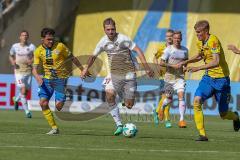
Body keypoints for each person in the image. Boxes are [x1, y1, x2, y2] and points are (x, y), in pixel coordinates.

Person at [81, 18, 154, 135]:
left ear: (116, 28)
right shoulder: (102, 42)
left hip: (129, 72)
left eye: (113, 29)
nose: (111, 32)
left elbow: (138, 50)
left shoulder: (123, 39)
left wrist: (146, 67)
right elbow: (93, 56)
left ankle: (125, 100)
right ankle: (119, 125)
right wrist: (85, 68)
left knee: (129, 105)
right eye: (108, 29)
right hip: (114, 73)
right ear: (104, 30)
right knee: (109, 95)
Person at [180, 20, 240, 141]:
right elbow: (200, 56)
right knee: (196, 101)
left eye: (199, 32)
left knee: (223, 114)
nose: (197, 35)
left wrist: (197, 68)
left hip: (222, 81)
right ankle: (202, 135)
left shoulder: (213, 41)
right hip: (208, 79)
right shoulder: (200, 42)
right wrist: (185, 62)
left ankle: (236, 117)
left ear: (206, 31)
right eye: (196, 33)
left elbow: (216, 61)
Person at [32, 28, 88, 135]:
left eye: (52, 39)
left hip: (60, 79)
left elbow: (73, 58)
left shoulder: (60, 46)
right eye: (48, 39)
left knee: (58, 107)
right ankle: (54, 128)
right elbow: (34, 68)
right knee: (43, 103)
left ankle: (63, 97)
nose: (51, 41)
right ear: (42, 39)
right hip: (47, 81)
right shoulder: (38, 51)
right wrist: (37, 77)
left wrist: (82, 69)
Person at [158, 31, 188, 128]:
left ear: (181, 39)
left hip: (180, 78)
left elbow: (185, 61)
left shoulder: (185, 50)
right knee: (169, 99)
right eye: (175, 38)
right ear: (173, 39)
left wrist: (184, 67)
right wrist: (172, 65)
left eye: (179, 38)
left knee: (181, 96)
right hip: (169, 78)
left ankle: (182, 120)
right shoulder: (168, 49)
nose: (177, 40)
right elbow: (161, 63)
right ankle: (162, 107)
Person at [9, 30, 35, 118]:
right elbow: (11, 55)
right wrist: (13, 62)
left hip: (28, 71)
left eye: (26, 35)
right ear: (20, 37)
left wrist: (31, 60)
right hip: (18, 72)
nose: (25, 37)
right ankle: (27, 112)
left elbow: (36, 56)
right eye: (23, 35)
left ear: (28, 37)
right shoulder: (15, 46)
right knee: (23, 90)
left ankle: (16, 99)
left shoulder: (31, 47)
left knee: (26, 92)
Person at [152, 29, 174, 128]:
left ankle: (156, 112)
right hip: (163, 76)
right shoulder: (161, 48)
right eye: (167, 36)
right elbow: (155, 58)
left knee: (167, 98)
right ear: (165, 37)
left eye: (171, 36)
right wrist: (157, 67)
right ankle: (167, 119)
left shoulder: (176, 49)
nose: (169, 38)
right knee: (167, 97)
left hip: (173, 76)